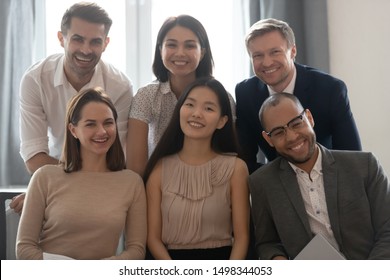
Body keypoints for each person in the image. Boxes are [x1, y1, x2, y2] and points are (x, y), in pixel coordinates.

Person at [12, 2, 132, 213]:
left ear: (105, 43)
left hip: (101, 180)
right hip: (55, 172)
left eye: (95, 41)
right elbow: (34, 156)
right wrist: (48, 188)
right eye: (77, 39)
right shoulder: (35, 80)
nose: (86, 50)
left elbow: (116, 158)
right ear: (61, 38)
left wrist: (50, 187)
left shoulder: (120, 87)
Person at [249, 92, 390, 260]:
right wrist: (277, 260)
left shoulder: (365, 166)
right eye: (279, 132)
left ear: (309, 118)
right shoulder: (261, 183)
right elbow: (266, 243)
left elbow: (387, 230)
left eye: (296, 123)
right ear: (268, 139)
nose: (292, 137)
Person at [16, 88, 146, 260]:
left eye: (108, 123)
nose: (102, 132)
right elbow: (24, 249)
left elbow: (136, 250)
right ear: (73, 130)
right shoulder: (44, 177)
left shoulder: (131, 182)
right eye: (91, 124)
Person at [235, 18, 361, 174]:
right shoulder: (245, 93)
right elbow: (245, 160)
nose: (267, 63)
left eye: (275, 52)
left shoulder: (330, 89)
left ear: (293, 51)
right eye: (258, 56)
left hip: (328, 178)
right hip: (278, 185)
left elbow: (352, 155)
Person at [144, 78, 249, 260]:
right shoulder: (159, 169)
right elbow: (152, 239)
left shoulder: (236, 168)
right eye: (190, 105)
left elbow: (242, 238)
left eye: (208, 108)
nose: (197, 114)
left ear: (222, 121)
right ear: (179, 110)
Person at [127, 15, 235, 177]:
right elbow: (136, 170)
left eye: (190, 46)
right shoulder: (146, 96)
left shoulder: (222, 97)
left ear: (203, 52)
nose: (180, 53)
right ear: (160, 50)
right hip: (155, 187)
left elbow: (227, 152)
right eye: (171, 45)